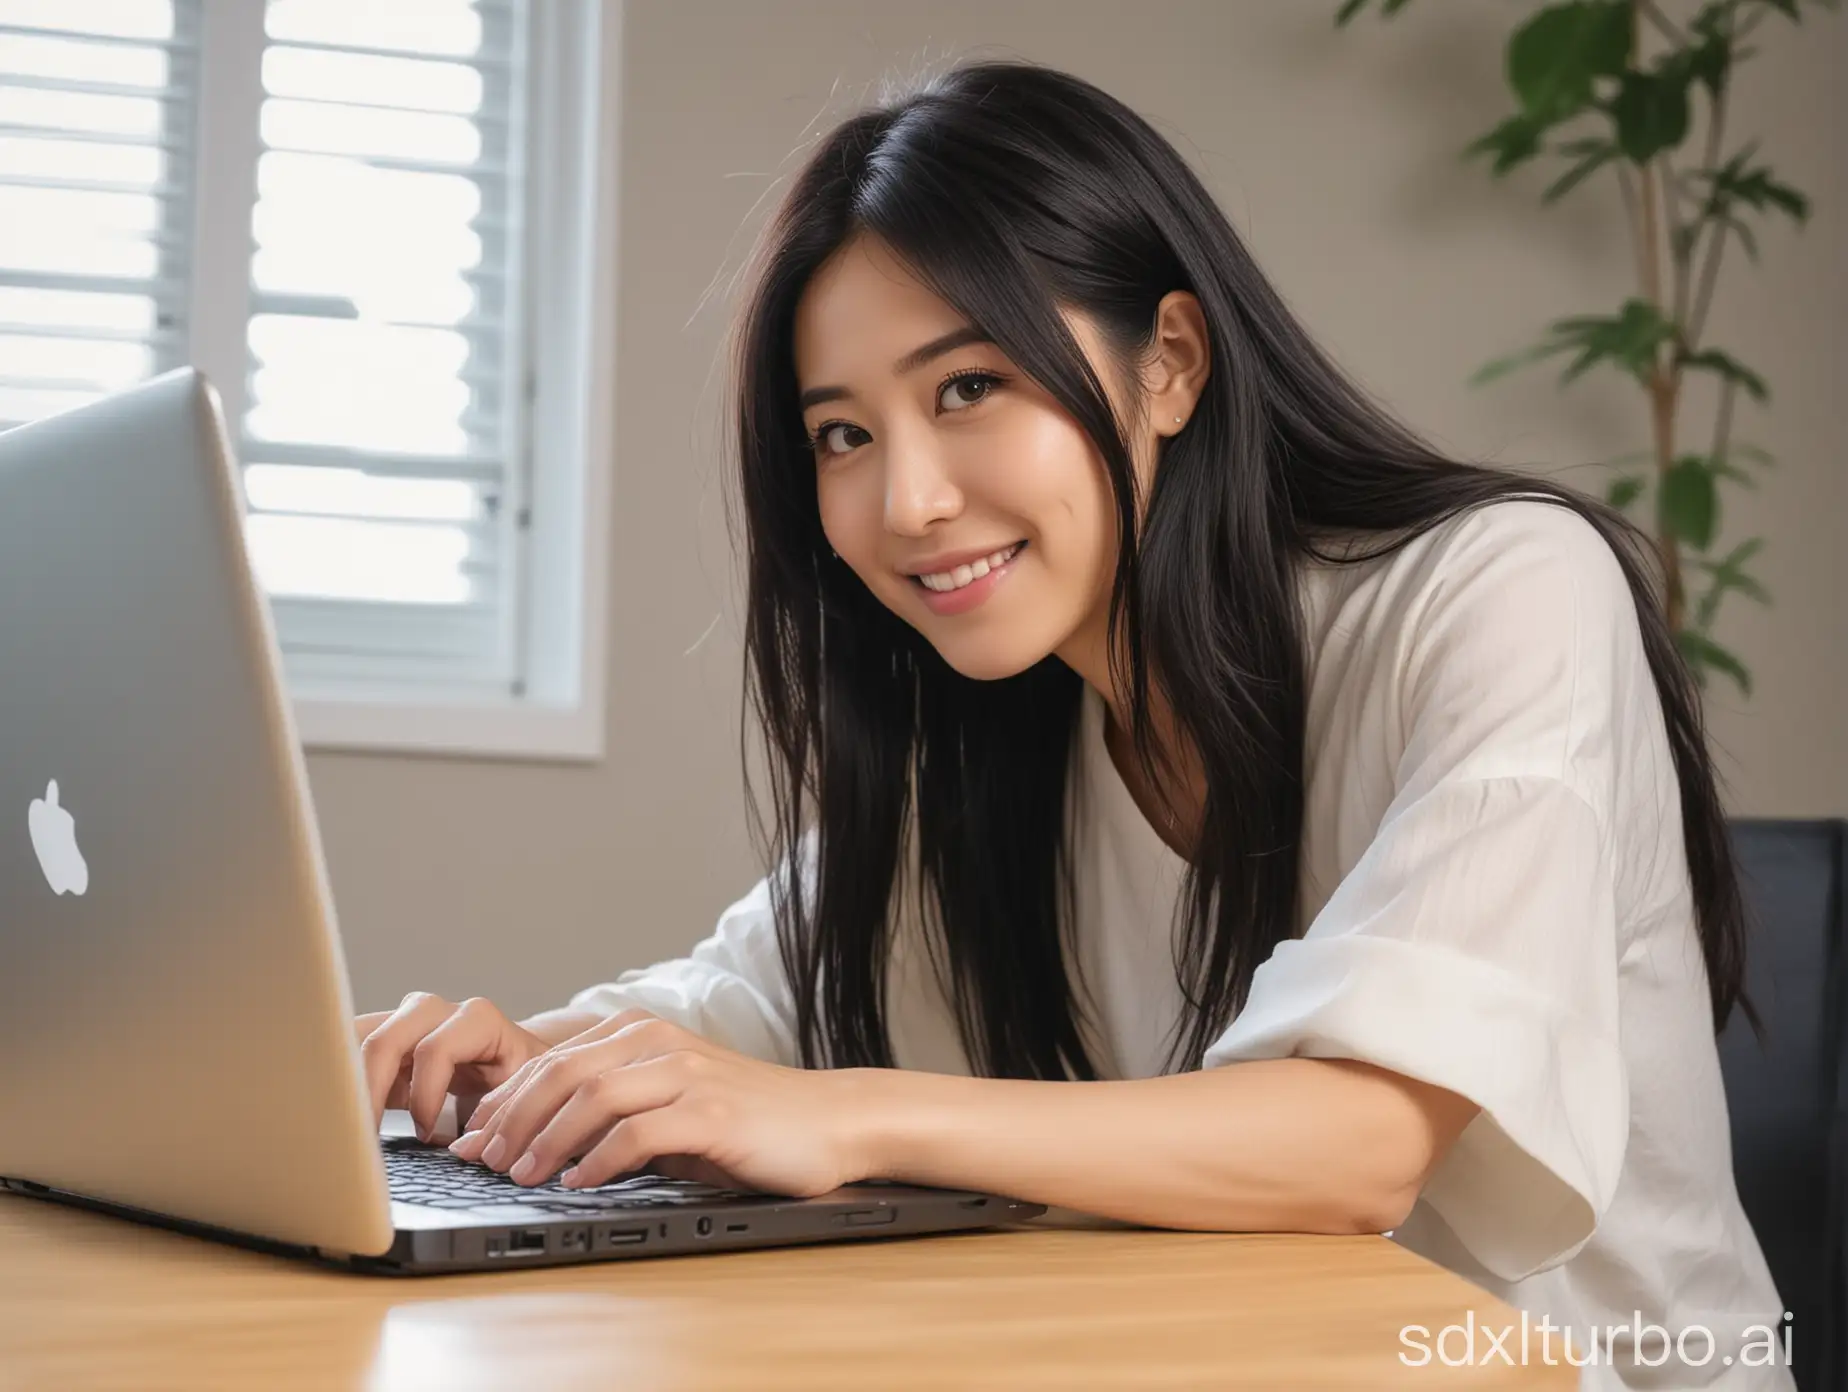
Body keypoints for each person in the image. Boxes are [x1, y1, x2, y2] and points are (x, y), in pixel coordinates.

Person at [356, 60, 1791, 1388]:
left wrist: (849, 1113)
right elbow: (741, 1022)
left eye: (970, 387)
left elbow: (1362, 1143)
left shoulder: (1501, 586)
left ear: (1170, 361)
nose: (904, 500)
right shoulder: (998, 724)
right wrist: (497, 1073)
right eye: (843, 434)